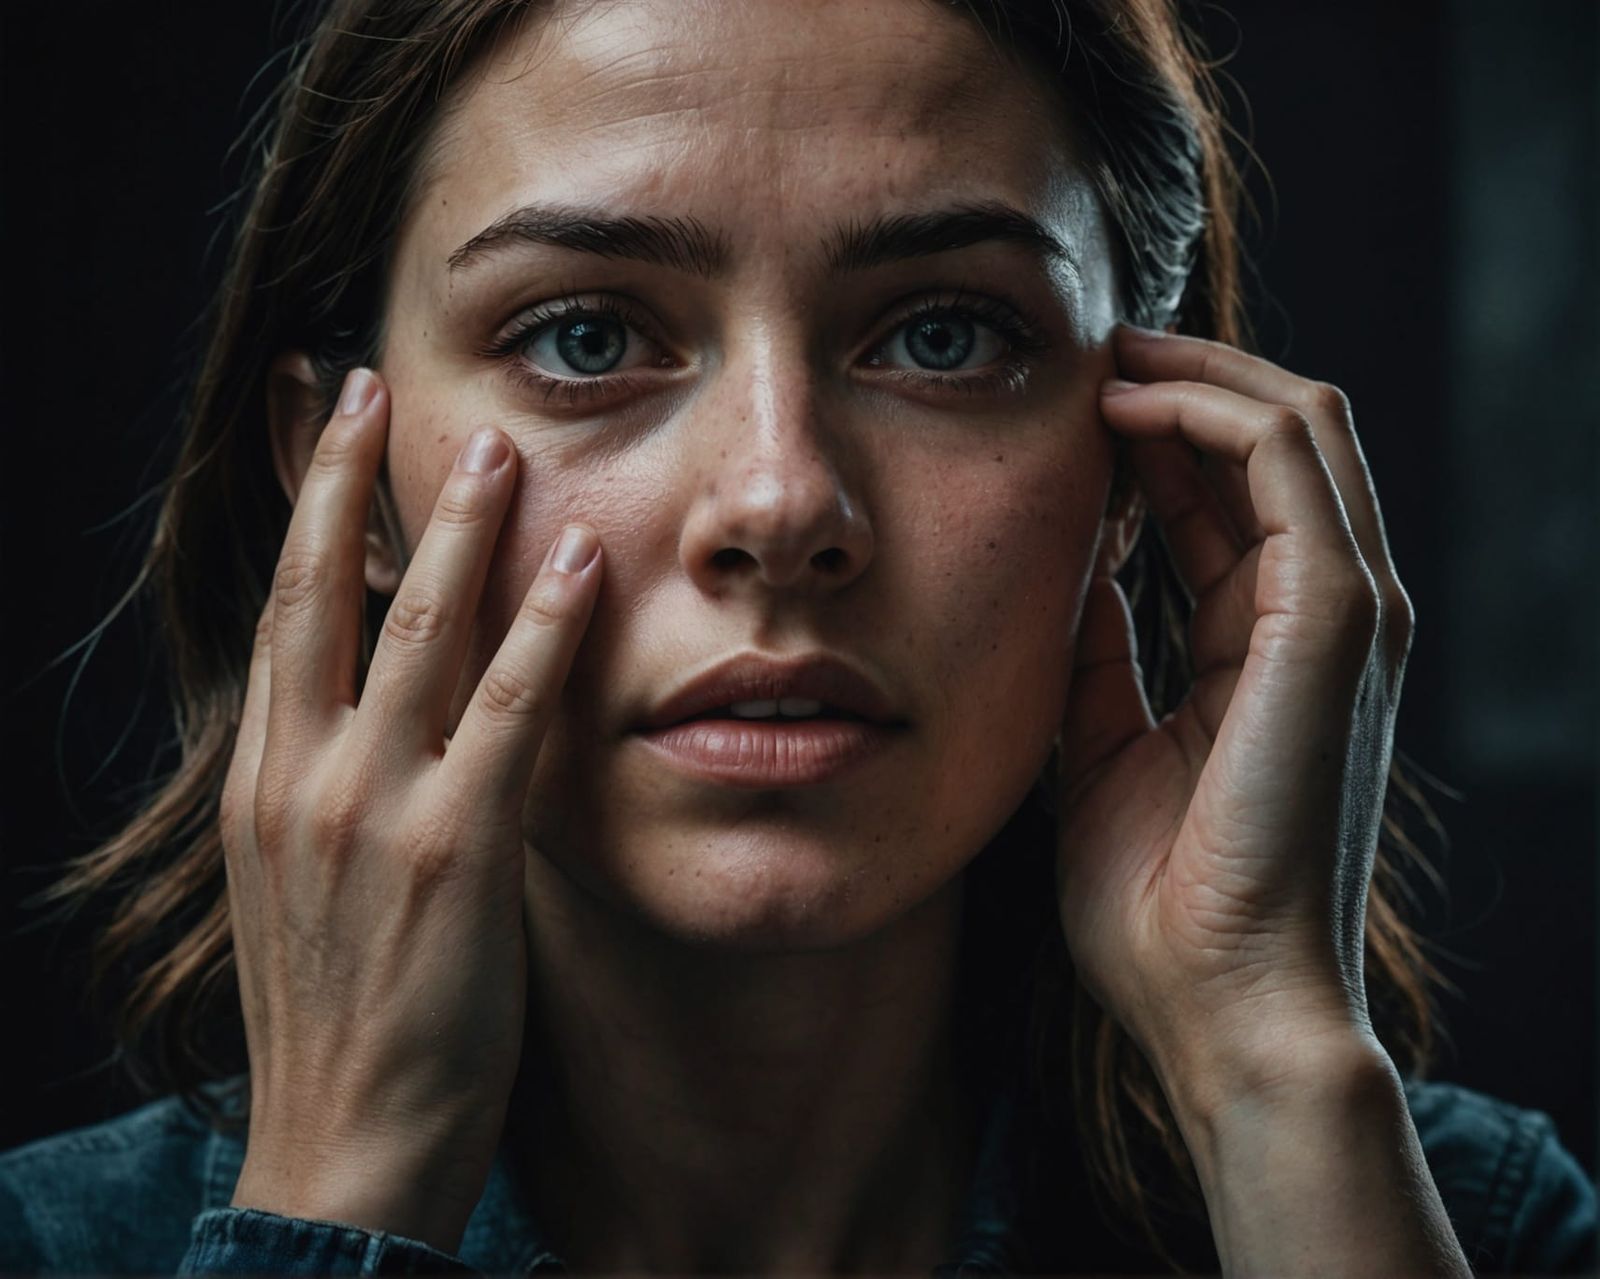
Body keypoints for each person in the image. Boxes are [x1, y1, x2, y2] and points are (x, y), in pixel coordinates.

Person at [2, 0, 1595, 1273]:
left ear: (1134, 470)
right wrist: (336, 1215)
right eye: (585, 335)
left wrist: (1277, 1079)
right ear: (339, 481)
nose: (779, 502)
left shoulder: (1456, 1229)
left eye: (944, 335)